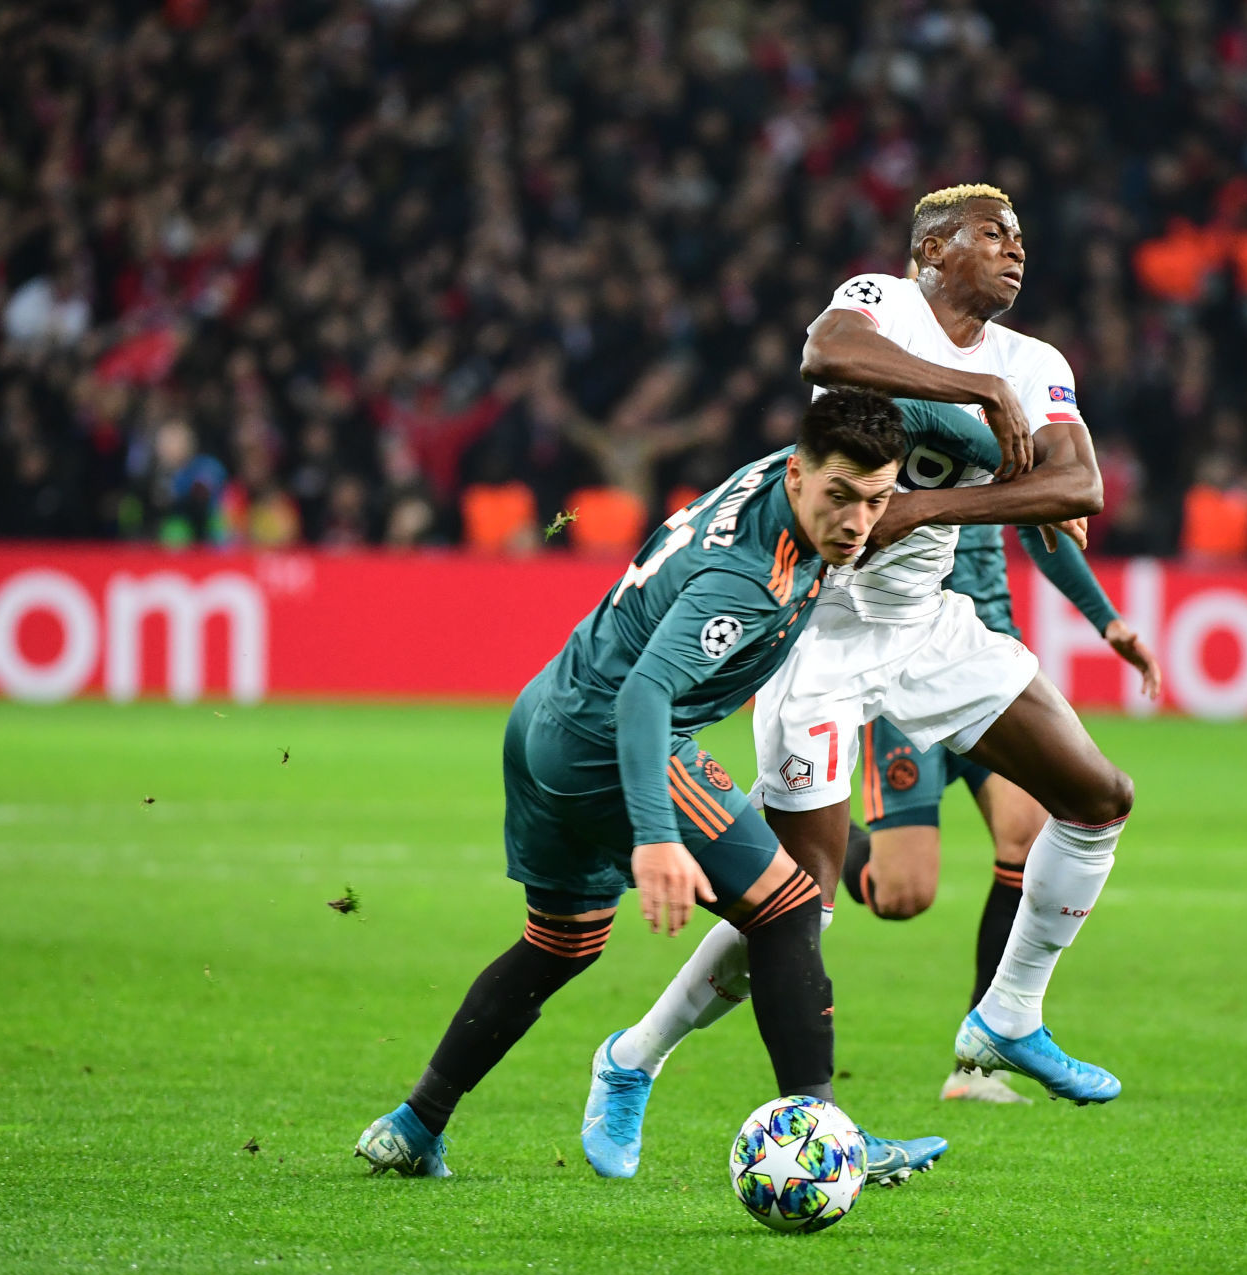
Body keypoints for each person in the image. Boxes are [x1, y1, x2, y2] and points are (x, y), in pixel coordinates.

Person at [580, 183, 1138, 1181]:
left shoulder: (1036, 360)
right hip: (814, 632)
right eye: (990, 235)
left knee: (1098, 797)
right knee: (802, 902)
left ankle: (1007, 1015)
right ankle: (631, 1058)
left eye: (1021, 236)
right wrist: (977, 397)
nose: (1014, 249)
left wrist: (931, 513)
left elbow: (1077, 486)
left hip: (930, 627)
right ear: (931, 247)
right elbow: (824, 356)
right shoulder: (880, 303)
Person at [353, 386, 942, 1181]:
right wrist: (658, 836)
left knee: (559, 944)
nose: (856, 522)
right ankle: (828, 1135)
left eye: (875, 501)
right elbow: (644, 696)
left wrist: (1006, 435)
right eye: (840, 496)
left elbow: (918, 423)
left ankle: (414, 1123)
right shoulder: (746, 578)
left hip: (544, 716)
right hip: (614, 735)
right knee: (790, 904)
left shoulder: (783, 471)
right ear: (799, 475)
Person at [838, 522, 1162, 1104]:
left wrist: (1106, 618)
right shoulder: (920, 439)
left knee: (1028, 833)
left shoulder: (1008, 444)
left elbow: (1044, 531)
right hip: (910, 672)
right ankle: (815, 829)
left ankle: (979, 1063)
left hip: (990, 669)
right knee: (901, 895)